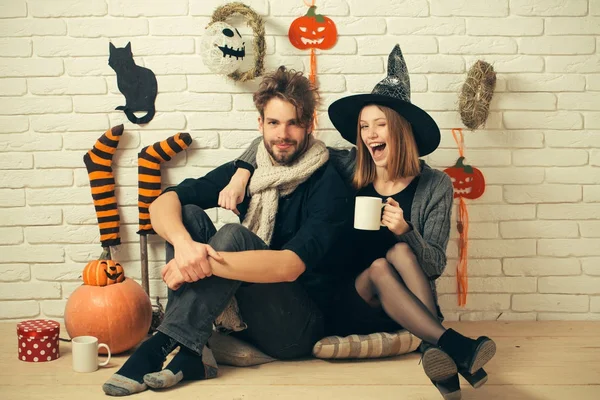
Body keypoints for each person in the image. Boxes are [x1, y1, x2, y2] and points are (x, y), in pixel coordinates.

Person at [225, 45, 496, 400]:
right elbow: (283, 140)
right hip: (347, 299)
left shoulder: (436, 185)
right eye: (364, 126)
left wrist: (406, 232)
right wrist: (242, 170)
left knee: (397, 255)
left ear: (401, 129)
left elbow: (433, 266)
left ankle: (437, 349)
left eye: (380, 125)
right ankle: (449, 344)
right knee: (382, 265)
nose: (369, 134)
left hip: (408, 302)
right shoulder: (348, 165)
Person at [102, 65, 353, 396]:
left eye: (293, 123)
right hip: (247, 313)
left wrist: (197, 264)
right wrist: (185, 248)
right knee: (188, 216)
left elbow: (289, 266)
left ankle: (160, 344)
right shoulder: (250, 171)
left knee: (233, 238)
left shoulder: (328, 184)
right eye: (274, 122)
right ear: (260, 123)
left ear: (309, 124)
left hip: (297, 326)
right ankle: (192, 353)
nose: (283, 134)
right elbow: (165, 201)